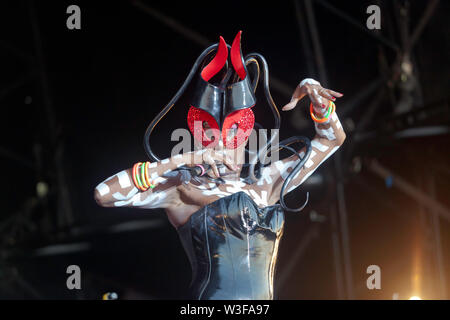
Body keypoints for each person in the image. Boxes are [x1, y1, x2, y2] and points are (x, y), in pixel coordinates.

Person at [94, 31, 345, 300]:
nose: (222, 149)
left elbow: (331, 141)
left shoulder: (266, 181)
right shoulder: (183, 188)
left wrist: (317, 100)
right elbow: (103, 194)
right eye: (212, 141)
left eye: (232, 139)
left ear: (245, 138)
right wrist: (183, 160)